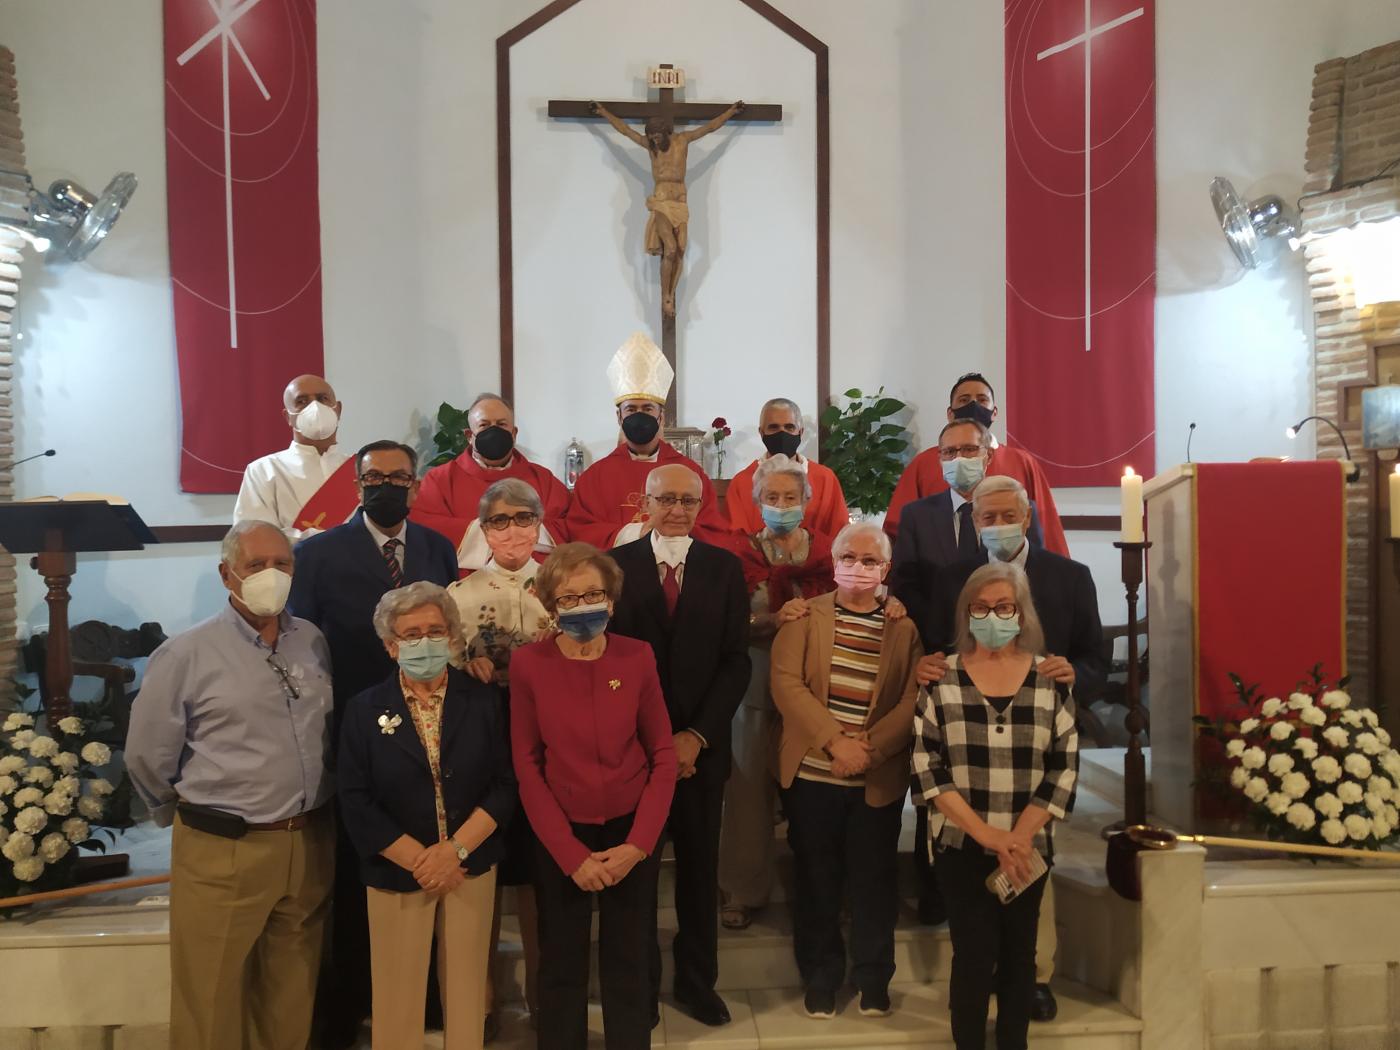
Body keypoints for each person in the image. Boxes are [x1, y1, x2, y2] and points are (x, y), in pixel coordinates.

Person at [126, 520, 335, 1050]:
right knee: (211, 998)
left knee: (292, 991)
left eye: (282, 564)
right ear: (227, 574)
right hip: (224, 846)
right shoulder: (185, 655)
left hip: (307, 841)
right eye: (256, 565)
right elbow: (147, 756)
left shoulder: (311, 640)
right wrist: (188, 812)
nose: (272, 575)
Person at [287, 439, 459, 1048]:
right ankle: (349, 1002)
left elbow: (449, 634)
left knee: (430, 856)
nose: (387, 486)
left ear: (415, 485)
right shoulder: (317, 554)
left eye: (399, 477)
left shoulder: (438, 549)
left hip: (432, 728)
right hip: (355, 730)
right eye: (374, 477)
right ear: (357, 483)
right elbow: (301, 648)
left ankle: (432, 997)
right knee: (360, 867)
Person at [919, 473, 1105, 1022]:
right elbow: (939, 648)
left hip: (1038, 743)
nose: (996, 525)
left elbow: (1096, 659)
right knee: (974, 925)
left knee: (1027, 872)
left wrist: (1077, 675)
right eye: (985, 517)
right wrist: (927, 665)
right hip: (970, 748)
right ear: (972, 523)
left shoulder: (1070, 577)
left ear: (1027, 518)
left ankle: (1035, 978)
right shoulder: (954, 577)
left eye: (1007, 515)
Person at [510, 543, 678, 1050]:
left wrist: (639, 844)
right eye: (569, 596)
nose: (583, 604)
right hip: (563, 832)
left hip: (630, 828)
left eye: (593, 594)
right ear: (549, 604)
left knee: (629, 958)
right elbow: (527, 763)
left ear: (611, 599)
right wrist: (569, 854)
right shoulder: (528, 664)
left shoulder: (637, 655)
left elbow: (664, 755)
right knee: (561, 959)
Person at [338, 582, 515, 1050]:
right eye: (411, 634)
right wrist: (423, 860)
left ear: (453, 636)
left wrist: (454, 851)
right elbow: (354, 797)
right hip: (398, 868)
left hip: (468, 865)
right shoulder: (363, 709)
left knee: (467, 990)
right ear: (390, 645)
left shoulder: (481, 700)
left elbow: (504, 784)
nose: (424, 642)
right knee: (396, 996)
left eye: (435, 630)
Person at [607, 464, 751, 1026]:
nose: (676, 509)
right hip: (633, 751)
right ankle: (638, 990)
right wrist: (653, 742)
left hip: (700, 751)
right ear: (644, 503)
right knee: (638, 875)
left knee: (697, 871)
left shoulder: (723, 569)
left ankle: (697, 983)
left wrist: (695, 735)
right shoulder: (615, 568)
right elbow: (608, 658)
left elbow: (735, 660)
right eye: (665, 499)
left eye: (687, 500)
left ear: (701, 506)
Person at [913, 561, 1078, 1050]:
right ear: (966, 613)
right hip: (962, 842)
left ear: (1021, 613)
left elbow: (1064, 767)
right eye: (980, 608)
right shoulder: (941, 677)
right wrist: (989, 837)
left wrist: (1019, 837)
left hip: (1028, 849)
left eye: (1003, 606)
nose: (992, 616)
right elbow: (927, 767)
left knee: (1020, 956)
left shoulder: (1050, 679)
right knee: (972, 954)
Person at [769, 521, 923, 1021]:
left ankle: (874, 977)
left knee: (874, 881)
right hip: (814, 774)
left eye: (870, 560)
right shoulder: (802, 617)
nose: (859, 568)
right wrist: (835, 742)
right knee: (817, 879)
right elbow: (787, 685)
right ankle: (820, 976)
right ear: (833, 562)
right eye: (849, 557)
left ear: (886, 569)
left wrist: (869, 750)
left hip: (874, 776)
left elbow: (910, 697)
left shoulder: (904, 625)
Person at [446, 478, 554, 1036]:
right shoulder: (458, 597)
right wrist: (468, 670)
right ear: (483, 530)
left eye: (523, 518)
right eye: (500, 521)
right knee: (477, 879)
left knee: (541, 882)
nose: (512, 530)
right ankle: (479, 1002)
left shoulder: (562, 586)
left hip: (548, 754)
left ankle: (545, 1000)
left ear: (539, 523)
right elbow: (435, 673)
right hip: (482, 757)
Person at [719, 454, 835, 931]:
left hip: (815, 691)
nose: (781, 505)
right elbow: (727, 624)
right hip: (755, 684)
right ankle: (742, 889)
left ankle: (825, 889)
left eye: (791, 497)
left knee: (816, 795)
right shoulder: (738, 555)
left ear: (807, 502)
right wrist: (768, 621)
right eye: (772, 498)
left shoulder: (830, 553)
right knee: (746, 791)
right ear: (757, 503)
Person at [565, 332, 734, 549]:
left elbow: (713, 531)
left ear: (661, 416)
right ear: (619, 417)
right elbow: (581, 531)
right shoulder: (595, 478)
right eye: (631, 409)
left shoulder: (689, 473)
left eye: (647, 409)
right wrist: (635, 534)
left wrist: (668, 533)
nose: (639, 415)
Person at [889, 418, 1046, 632]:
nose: (959, 458)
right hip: (937, 639)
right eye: (950, 452)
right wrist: (941, 628)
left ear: (988, 455)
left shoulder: (1019, 511)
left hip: (1009, 634)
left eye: (970, 449)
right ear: (940, 458)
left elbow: (1034, 573)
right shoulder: (916, 515)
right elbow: (905, 583)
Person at [885, 372, 1068, 555]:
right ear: (950, 413)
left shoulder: (1023, 463)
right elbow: (898, 531)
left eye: (982, 400)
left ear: (994, 412)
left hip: (1010, 576)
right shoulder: (924, 464)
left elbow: (1046, 527)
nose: (973, 405)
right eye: (964, 400)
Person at [411, 392, 572, 574]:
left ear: (514, 433)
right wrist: (493, 531)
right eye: (484, 425)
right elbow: (425, 527)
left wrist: (520, 531)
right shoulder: (440, 479)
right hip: (469, 585)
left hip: (537, 583)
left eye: (502, 424)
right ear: (469, 435)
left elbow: (568, 525)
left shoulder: (543, 478)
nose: (494, 431)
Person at [233, 374, 357, 541]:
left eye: (323, 398)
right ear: (288, 417)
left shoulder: (362, 470)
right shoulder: (263, 470)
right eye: (302, 402)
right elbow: (256, 537)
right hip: (297, 566)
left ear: (338, 409)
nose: (315, 407)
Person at [725, 398, 850, 539]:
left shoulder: (825, 479)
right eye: (774, 427)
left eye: (789, 427)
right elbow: (737, 540)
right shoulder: (741, 483)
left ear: (800, 432)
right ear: (761, 433)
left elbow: (840, 535)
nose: (782, 433)